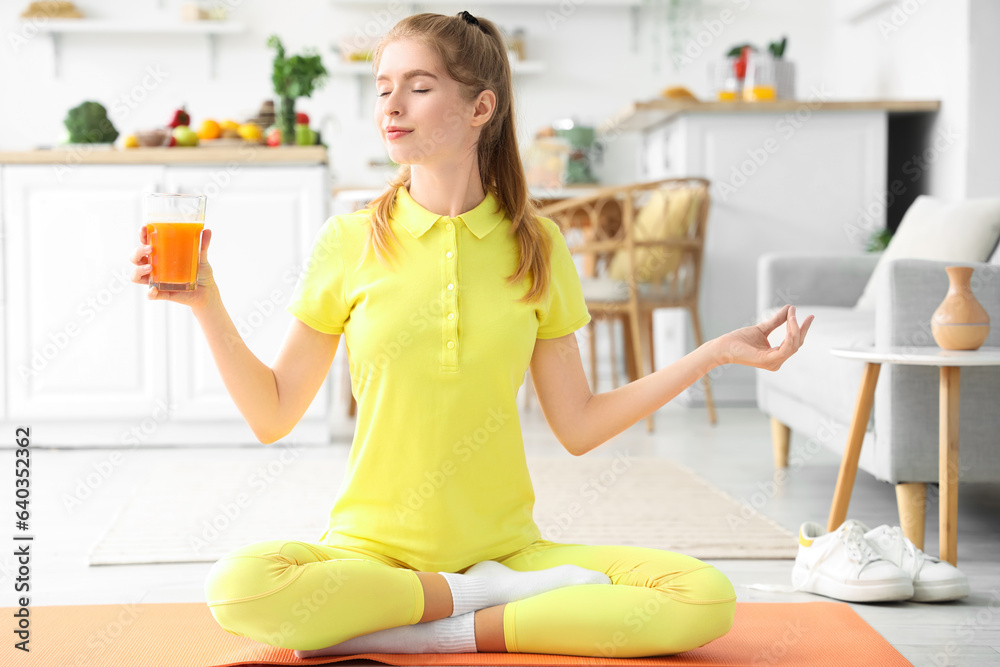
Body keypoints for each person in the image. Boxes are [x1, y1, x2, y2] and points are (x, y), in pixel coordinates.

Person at [129, 11, 813, 659]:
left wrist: (712, 353)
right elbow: (273, 412)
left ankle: (421, 627)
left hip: (510, 552)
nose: (390, 106)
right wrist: (206, 301)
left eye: (418, 87)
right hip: (372, 552)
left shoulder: (537, 247)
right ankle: (474, 604)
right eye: (383, 87)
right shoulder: (348, 241)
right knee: (241, 584)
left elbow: (577, 423)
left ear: (480, 107)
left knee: (701, 597)